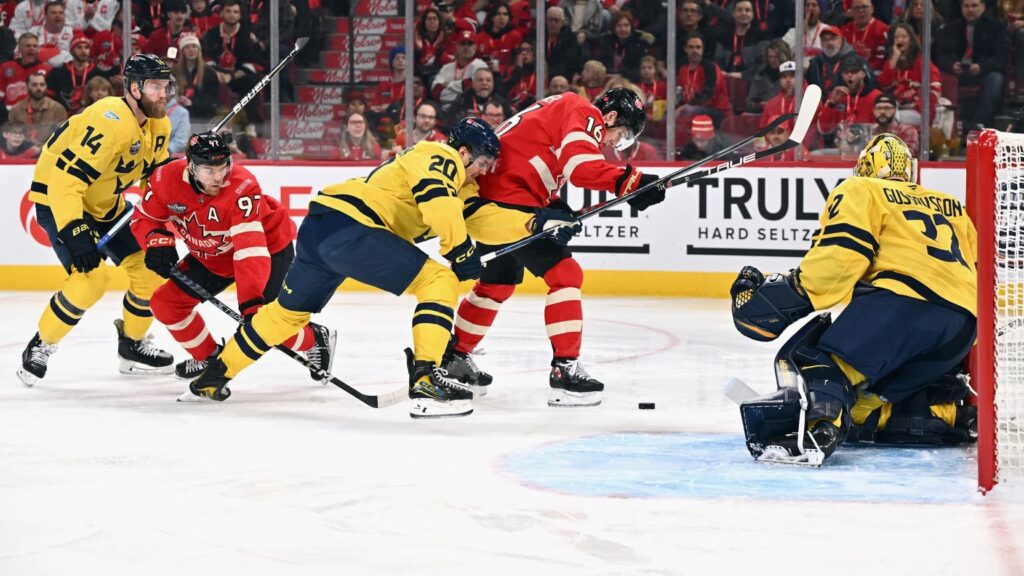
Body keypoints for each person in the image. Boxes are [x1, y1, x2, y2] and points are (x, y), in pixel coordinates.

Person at [182, 119, 509, 419]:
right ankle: (425, 378)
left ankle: (215, 376)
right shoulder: (441, 154)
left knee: (284, 315)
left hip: (321, 228)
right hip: (352, 228)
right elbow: (437, 200)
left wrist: (539, 223)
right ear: (464, 152)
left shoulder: (462, 188)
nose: (483, 171)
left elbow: (480, 218)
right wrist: (460, 250)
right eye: (481, 163)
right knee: (439, 280)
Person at [731, 133, 977, 465]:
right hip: (962, 326)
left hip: (905, 304)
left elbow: (841, 258)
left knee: (821, 364)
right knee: (863, 398)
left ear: (864, 167)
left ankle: (816, 434)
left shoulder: (862, 189)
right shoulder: (952, 206)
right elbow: (981, 269)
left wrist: (790, 295)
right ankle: (939, 417)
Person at [443, 88, 666, 407]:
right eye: (623, 133)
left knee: (497, 284)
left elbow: (532, 161)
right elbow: (582, 170)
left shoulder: (562, 108)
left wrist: (556, 204)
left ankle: (455, 357)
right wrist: (632, 181)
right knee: (566, 274)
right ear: (612, 116)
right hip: (509, 205)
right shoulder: (586, 113)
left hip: (489, 200)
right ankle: (565, 370)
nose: (615, 142)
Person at [16, 54, 177, 387]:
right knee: (90, 279)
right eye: (156, 87)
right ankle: (42, 343)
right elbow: (65, 180)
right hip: (60, 200)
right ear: (134, 88)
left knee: (149, 269)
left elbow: (153, 181)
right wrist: (75, 230)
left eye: (166, 86)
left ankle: (132, 345)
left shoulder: (159, 124)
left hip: (106, 203)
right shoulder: (109, 122)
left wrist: (173, 189)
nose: (164, 94)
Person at [130, 132, 336, 380]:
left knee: (264, 324)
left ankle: (314, 337)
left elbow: (250, 251)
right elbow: (146, 218)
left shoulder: (242, 186)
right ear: (191, 166)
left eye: (223, 167)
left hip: (267, 247)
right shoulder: (165, 178)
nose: (219, 177)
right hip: (212, 254)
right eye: (209, 170)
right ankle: (207, 359)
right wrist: (156, 241)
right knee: (166, 304)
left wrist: (250, 305)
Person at [46, 34, 113, 115]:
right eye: (79, 47)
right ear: (71, 50)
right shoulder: (58, 72)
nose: (83, 51)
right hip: (62, 117)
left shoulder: (98, 73)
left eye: (86, 47)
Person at [9, 70, 67, 150]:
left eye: (42, 85)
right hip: (22, 152)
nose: (39, 88)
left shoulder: (57, 109)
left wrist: (41, 149)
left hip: (47, 152)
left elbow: (61, 138)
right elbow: (11, 137)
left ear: (46, 86)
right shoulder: (16, 110)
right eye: (34, 85)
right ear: (28, 86)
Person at [841, 0, 889, 72]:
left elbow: (881, 60)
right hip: (848, 72)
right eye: (856, 8)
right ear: (851, 11)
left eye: (865, 7)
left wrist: (862, 70)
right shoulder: (844, 30)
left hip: (873, 73)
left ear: (872, 9)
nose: (861, 11)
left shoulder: (882, 29)